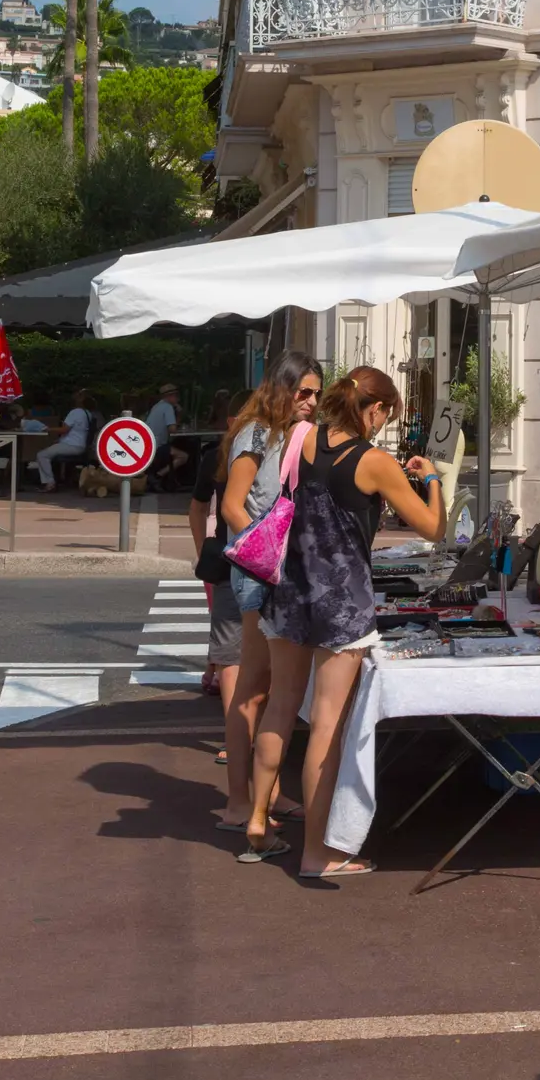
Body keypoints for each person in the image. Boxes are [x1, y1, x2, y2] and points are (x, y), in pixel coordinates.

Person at [241, 365, 445, 879]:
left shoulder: (301, 437)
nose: (383, 424)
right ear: (373, 409)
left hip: (290, 588)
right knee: (326, 725)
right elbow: (434, 527)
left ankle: (258, 822)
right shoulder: (373, 461)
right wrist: (434, 479)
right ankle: (318, 854)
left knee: (281, 708)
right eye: (385, 414)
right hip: (341, 600)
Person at [216, 352, 324, 829]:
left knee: (270, 691)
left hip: (272, 569)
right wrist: (267, 556)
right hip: (260, 570)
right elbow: (232, 506)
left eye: (318, 394)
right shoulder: (257, 431)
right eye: (304, 392)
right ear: (283, 388)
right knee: (253, 692)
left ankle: (267, 794)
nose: (312, 402)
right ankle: (239, 801)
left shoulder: (280, 433)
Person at [33, 390, 92, 491]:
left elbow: (64, 429)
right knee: (50, 450)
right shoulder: (88, 413)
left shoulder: (74, 412)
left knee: (42, 455)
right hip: (81, 445)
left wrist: (48, 429)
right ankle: (54, 480)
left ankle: (50, 483)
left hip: (72, 445)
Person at [147, 383, 186, 487]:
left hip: (149, 443)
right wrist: (179, 414)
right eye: (175, 396)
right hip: (158, 445)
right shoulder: (168, 408)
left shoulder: (157, 406)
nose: (177, 399)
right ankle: (158, 476)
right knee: (183, 456)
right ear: (169, 397)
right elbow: (172, 429)